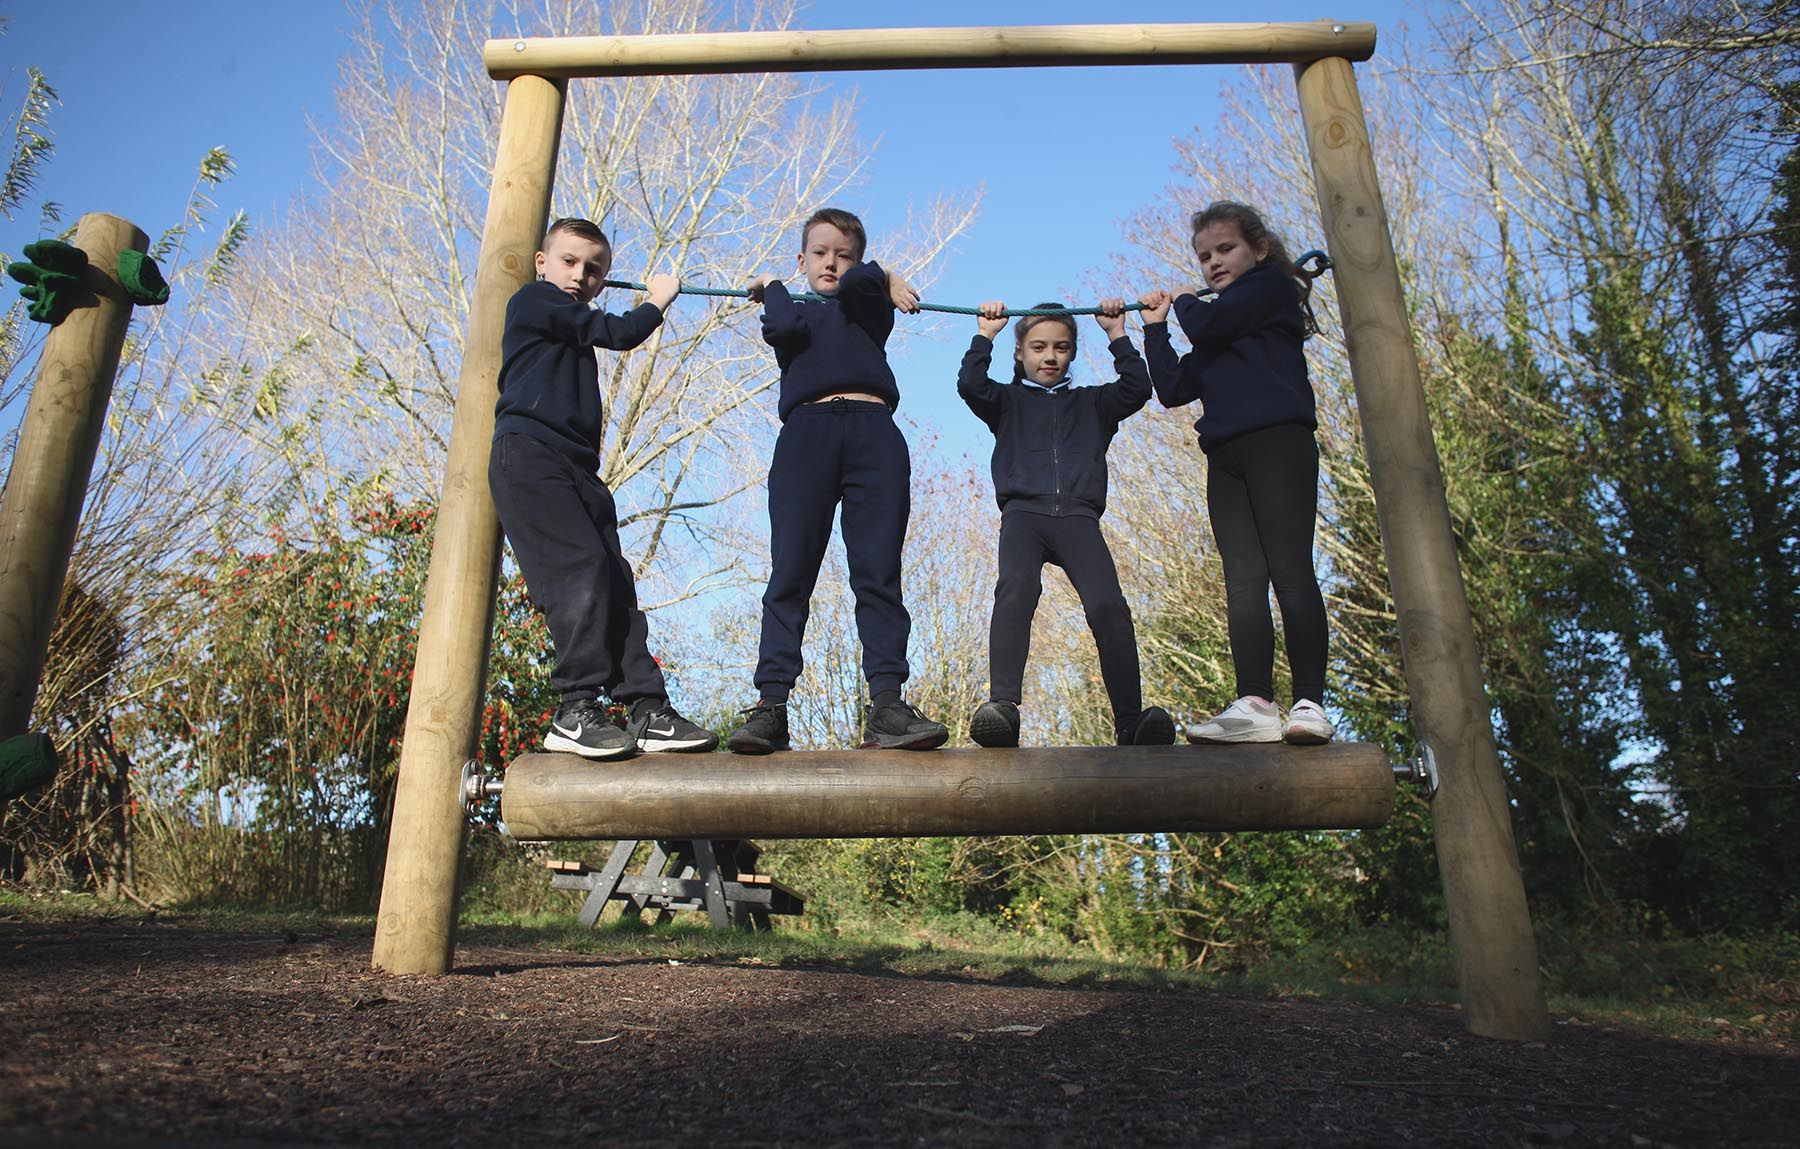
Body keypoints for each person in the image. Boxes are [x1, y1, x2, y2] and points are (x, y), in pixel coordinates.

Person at [488, 217, 717, 759]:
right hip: (529, 456)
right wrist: (659, 299)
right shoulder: (533, 301)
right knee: (582, 569)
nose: (580, 276)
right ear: (543, 262)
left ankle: (647, 708)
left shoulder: (567, 319)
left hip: (578, 468)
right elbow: (618, 334)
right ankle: (575, 707)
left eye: (594, 270)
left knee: (615, 580)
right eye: (569, 262)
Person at [724, 207, 949, 754]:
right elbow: (778, 326)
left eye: (843, 254)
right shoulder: (793, 310)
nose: (832, 263)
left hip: (875, 433)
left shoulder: (868, 306)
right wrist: (775, 285)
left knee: (877, 573)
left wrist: (886, 274)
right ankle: (771, 704)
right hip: (808, 433)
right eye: (820, 253)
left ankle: (888, 704)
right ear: (802, 262)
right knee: (791, 572)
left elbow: (861, 286)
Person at [1141, 200, 1335, 745]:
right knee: (1244, 580)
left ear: (1259, 248)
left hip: (1279, 443)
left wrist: (1180, 301)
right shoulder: (1222, 326)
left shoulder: (1268, 290)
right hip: (1225, 456)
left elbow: (1207, 322)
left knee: (1290, 570)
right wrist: (1155, 329)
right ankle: (1255, 702)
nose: (1213, 264)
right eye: (1204, 257)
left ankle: (1310, 703)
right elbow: (1176, 388)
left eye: (1225, 250)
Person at [958, 298, 1176, 748]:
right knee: (1016, 589)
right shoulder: (1007, 401)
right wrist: (985, 334)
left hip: (1078, 518)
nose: (1050, 356)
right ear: (1020, 353)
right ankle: (1003, 707)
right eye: (1038, 347)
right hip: (1024, 516)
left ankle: (1130, 720)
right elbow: (971, 385)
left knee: (1108, 605)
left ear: (1073, 352)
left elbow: (1136, 388)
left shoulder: (1093, 404)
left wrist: (1117, 333)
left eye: (1060, 347)